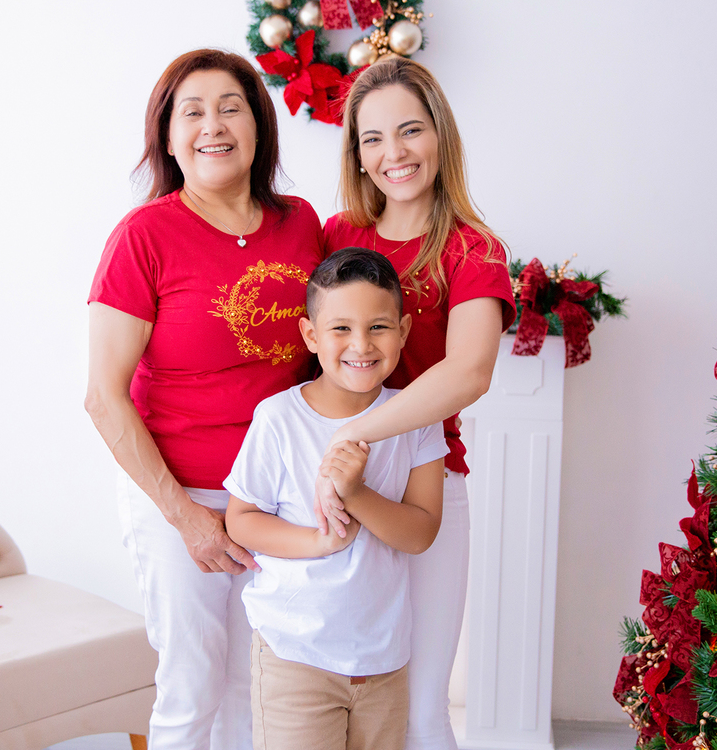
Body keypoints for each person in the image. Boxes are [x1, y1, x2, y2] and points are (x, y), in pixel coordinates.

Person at [84, 48, 324, 750]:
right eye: (192, 112)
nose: (212, 126)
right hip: (177, 493)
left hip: (276, 500)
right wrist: (187, 517)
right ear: (167, 135)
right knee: (192, 686)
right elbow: (103, 397)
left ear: (258, 126)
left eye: (230, 107)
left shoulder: (301, 223)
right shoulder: (144, 237)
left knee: (264, 686)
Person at [318, 58, 518, 750]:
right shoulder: (335, 236)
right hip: (328, 485)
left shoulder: (473, 249)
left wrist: (356, 437)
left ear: (441, 135)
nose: (393, 153)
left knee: (422, 709)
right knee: (334, 696)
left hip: (429, 487)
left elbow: (468, 372)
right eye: (372, 138)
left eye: (409, 130)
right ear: (358, 155)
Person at [224, 247, 447, 750]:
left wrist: (356, 493)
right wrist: (318, 542)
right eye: (341, 328)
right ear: (311, 335)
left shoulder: (417, 417)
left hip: (383, 661)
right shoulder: (278, 418)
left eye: (380, 327)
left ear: (404, 331)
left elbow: (421, 533)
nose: (361, 345)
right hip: (294, 656)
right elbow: (241, 519)